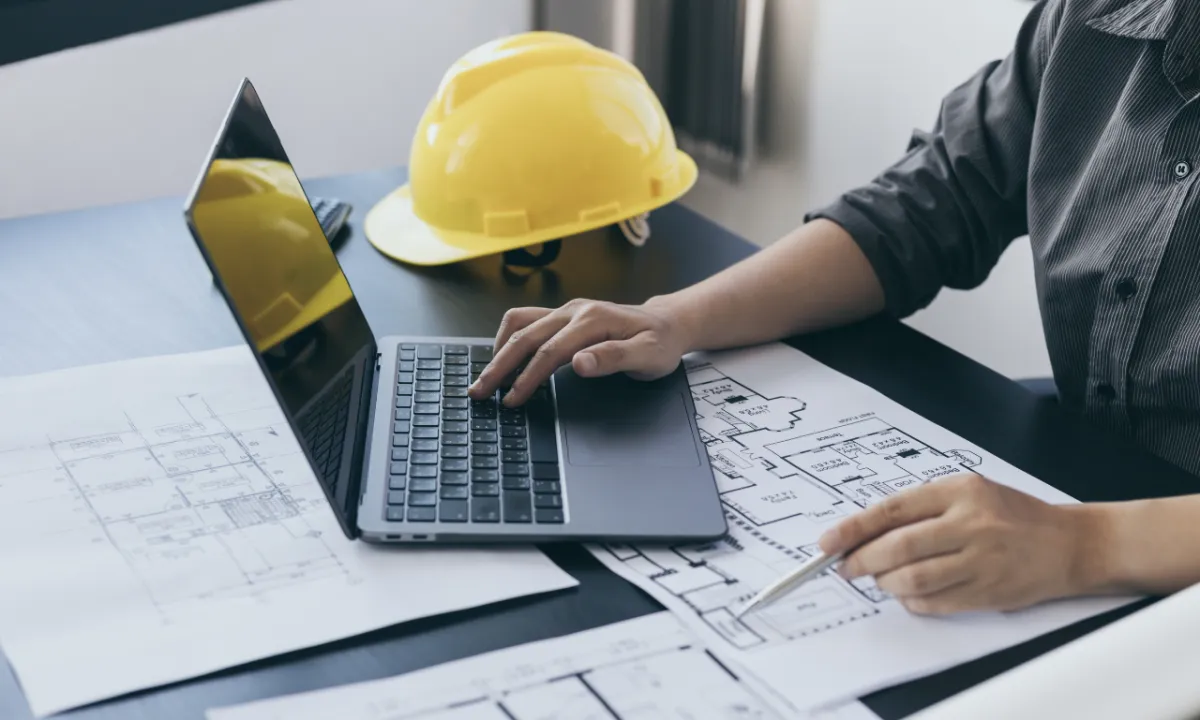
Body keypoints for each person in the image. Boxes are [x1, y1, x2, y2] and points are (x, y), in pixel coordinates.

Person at [468, 0, 1200, 616]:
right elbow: (933, 201)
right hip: (1098, 455)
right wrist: (674, 318)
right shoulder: (1090, 19)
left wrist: (1087, 546)